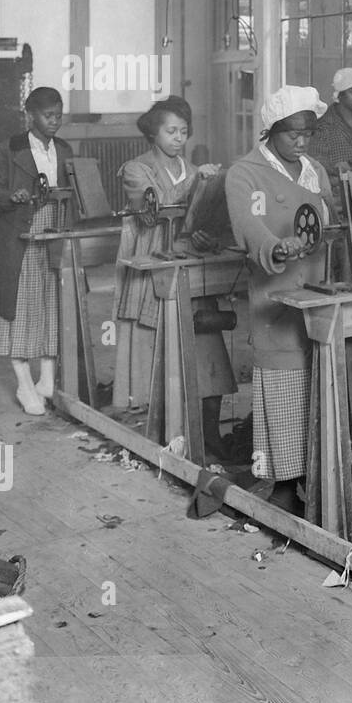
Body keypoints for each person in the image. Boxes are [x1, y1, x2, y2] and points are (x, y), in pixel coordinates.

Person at [224, 86, 334, 513]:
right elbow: (247, 224)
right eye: (293, 134)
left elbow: (328, 216)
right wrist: (275, 246)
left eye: (308, 133)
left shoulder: (314, 169)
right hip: (276, 291)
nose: (302, 142)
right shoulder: (245, 173)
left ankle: (319, 473)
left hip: (317, 285)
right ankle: (285, 482)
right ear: (271, 131)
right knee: (285, 383)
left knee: (318, 378)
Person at [112, 97, 235, 454]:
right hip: (151, 271)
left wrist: (206, 233)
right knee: (156, 352)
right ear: (153, 131)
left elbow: (203, 219)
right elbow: (154, 210)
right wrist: (199, 186)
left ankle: (206, 431)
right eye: (171, 130)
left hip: (191, 268)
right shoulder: (136, 169)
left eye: (184, 131)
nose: (179, 138)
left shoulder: (196, 170)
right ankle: (160, 430)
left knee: (207, 347)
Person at [0, 87, 73, 416]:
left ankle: (46, 380)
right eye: (48, 116)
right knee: (18, 307)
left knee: (51, 304)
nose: (55, 122)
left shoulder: (63, 148)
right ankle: (23, 382)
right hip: (20, 234)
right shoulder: (7, 148)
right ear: (30, 115)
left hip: (55, 230)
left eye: (59, 115)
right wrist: (11, 195)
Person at [309, 67, 352, 207]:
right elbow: (314, 162)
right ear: (339, 95)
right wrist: (335, 167)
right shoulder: (323, 126)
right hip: (335, 199)